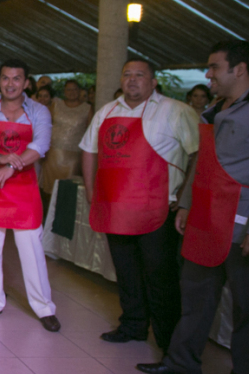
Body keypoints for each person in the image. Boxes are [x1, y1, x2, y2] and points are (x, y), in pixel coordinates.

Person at [137, 41, 249, 374]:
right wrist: (186, 202)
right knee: (195, 296)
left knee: (247, 309)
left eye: (214, 68)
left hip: (242, 225)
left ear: (239, 70)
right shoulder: (213, 110)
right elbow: (200, 161)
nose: (208, 75)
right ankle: (182, 361)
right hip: (204, 219)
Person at [81, 59, 198, 349]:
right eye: (127, 75)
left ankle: (168, 338)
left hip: (158, 208)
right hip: (116, 208)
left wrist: (185, 197)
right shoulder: (106, 111)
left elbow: (198, 154)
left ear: (154, 81)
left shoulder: (177, 111)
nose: (133, 80)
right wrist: (91, 191)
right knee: (126, 272)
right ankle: (132, 325)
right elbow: (88, 150)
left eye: (140, 75)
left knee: (161, 276)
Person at [0, 59, 58, 330]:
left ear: (26, 82)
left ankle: (43, 307)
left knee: (32, 250)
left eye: (16, 79)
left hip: (23, 190)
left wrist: (8, 166)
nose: (10, 84)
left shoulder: (39, 112)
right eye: (5, 78)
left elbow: (40, 145)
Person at [39, 79, 91, 197]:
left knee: (68, 190)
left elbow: (90, 133)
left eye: (75, 89)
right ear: (64, 91)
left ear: (79, 91)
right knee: (49, 190)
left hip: (74, 156)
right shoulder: (56, 105)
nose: (72, 92)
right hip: (53, 154)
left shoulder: (87, 108)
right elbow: (46, 126)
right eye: (68, 89)